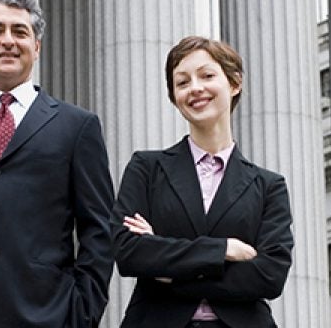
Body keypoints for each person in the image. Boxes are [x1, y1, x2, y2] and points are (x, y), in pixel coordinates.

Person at [113, 36, 293, 328]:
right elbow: (130, 252)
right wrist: (222, 250)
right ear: (174, 97)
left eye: (207, 76)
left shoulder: (268, 185)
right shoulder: (146, 169)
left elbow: (270, 276)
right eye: (182, 82)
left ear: (234, 84)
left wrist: (169, 269)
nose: (195, 88)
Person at [0, 0, 114, 327]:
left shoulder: (77, 126)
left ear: (37, 47)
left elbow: (98, 228)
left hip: (47, 315)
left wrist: (82, 312)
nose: (8, 41)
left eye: (20, 32)